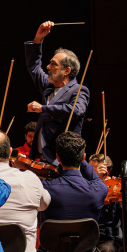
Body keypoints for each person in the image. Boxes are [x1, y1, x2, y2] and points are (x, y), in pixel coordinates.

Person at [24, 21, 89, 164]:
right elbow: (34, 65)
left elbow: (76, 110)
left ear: (66, 71)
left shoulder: (78, 90)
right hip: (39, 159)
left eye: (53, 64)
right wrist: (38, 38)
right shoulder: (48, 86)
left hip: (60, 161)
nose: (47, 67)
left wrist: (43, 108)